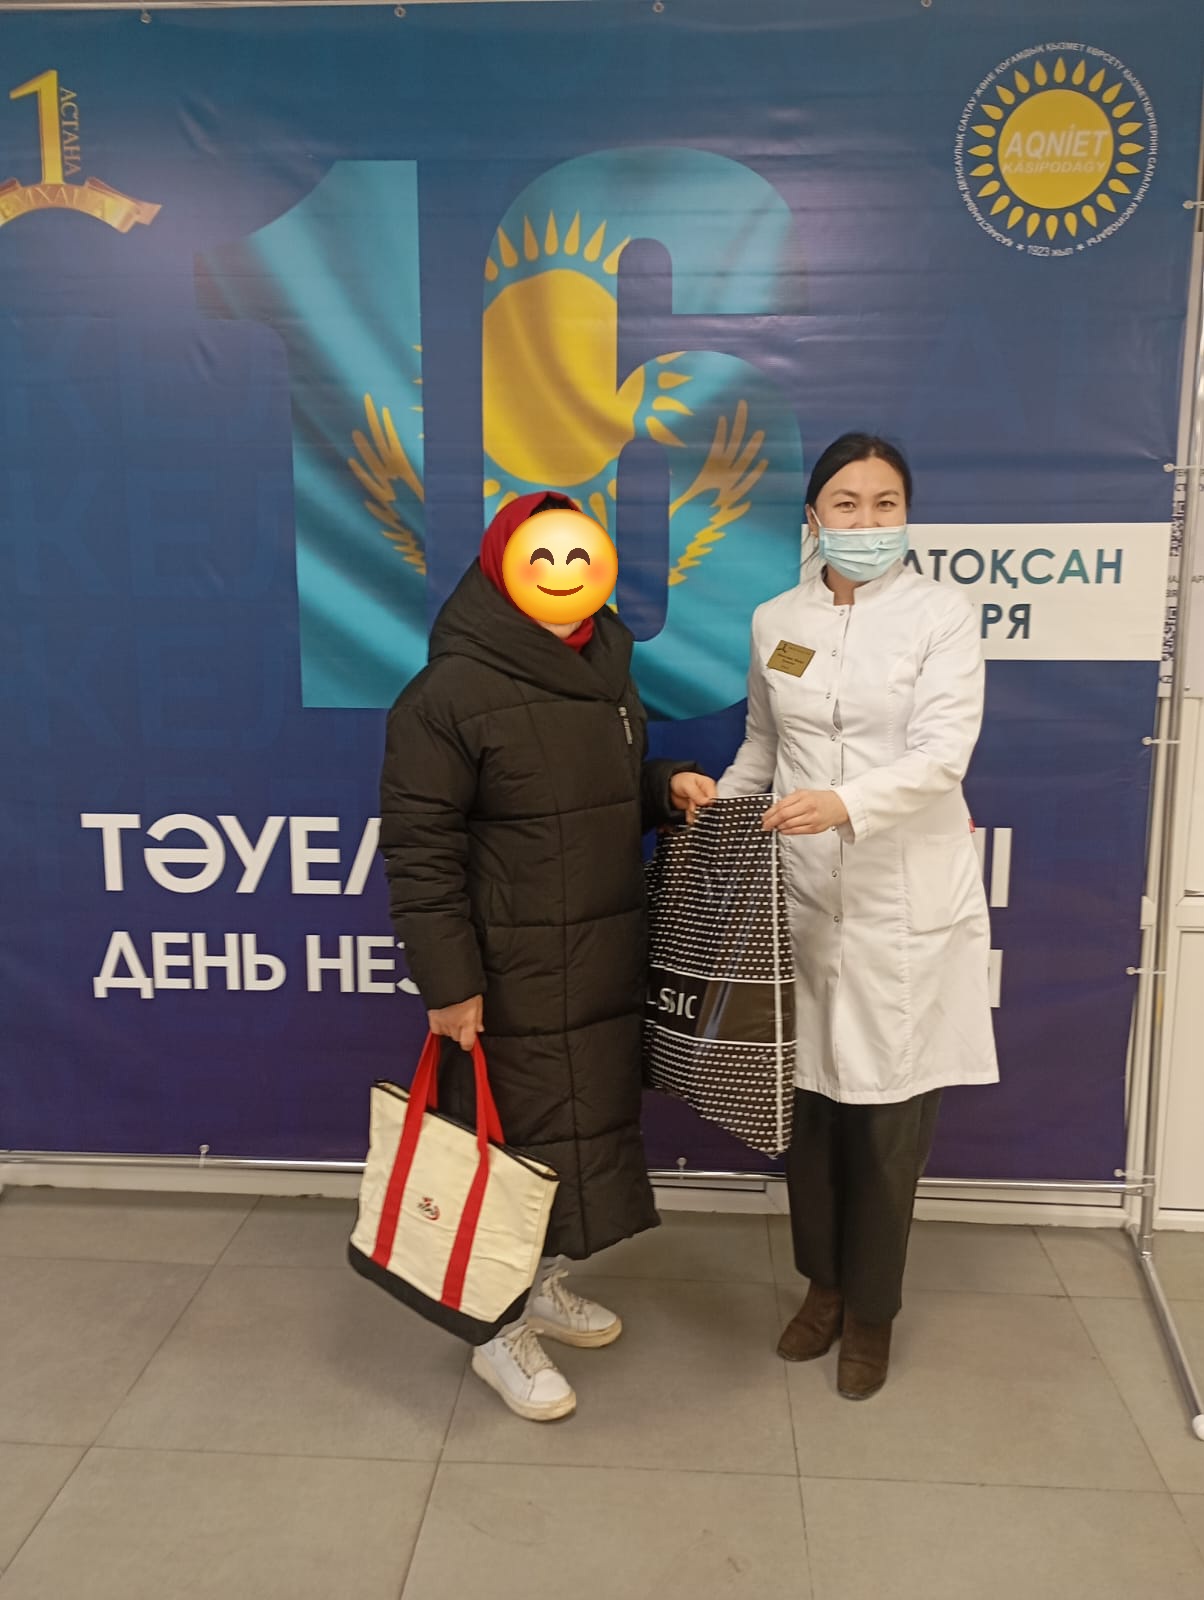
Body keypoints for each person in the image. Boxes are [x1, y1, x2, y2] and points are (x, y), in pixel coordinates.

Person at [378, 490, 717, 1422]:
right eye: (543, 557)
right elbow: (420, 851)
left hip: (601, 955)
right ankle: (495, 1331)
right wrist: (450, 983)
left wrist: (662, 787)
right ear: (503, 568)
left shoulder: (605, 665)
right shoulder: (447, 696)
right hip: (509, 974)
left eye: (578, 557)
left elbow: (585, 792)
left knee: (576, 1139)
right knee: (508, 1149)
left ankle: (542, 1283)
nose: (564, 576)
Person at [718, 433, 998, 1399]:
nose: (867, 522)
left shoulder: (940, 616)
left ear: (906, 515)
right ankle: (824, 1287)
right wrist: (719, 809)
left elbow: (942, 755)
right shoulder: (777, 620)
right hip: (801, 900)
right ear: (814, 517)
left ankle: (872, 1312)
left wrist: (844, 804)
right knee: (810, 1111)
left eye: (886, 505)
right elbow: (763, 747)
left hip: (900, 901)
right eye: (847, 504)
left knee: (885, 1121)